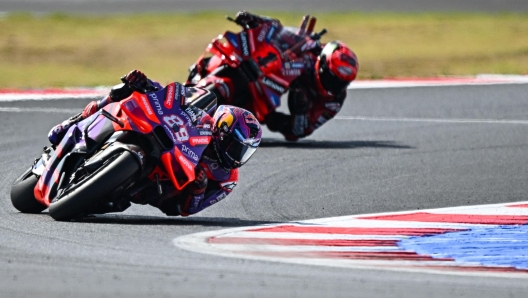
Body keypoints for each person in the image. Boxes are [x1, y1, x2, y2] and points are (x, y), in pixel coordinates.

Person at [48, 70, 262, 216]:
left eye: (244, 151)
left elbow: (188, 211)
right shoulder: (204, 118)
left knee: (115, 204)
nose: (237, 156)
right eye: (236, 147)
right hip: (163, 142)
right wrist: (145, 84)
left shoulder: (227, 178)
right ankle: (71, 123)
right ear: (221, 133)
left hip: (159, 188)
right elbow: (173, 99)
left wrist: (199, 187)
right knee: (122, 94)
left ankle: (102, 190)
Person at [187, 11, 358, 142]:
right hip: (265, 71)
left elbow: (301, 131)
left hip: (270, 102)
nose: (334, 85)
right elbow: (281, 33)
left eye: (340, 82)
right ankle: (197, 80)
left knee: (245, 126)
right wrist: (258, 22)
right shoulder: (311, 51)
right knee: (227, 57)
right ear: (322, 64)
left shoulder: (334, 100)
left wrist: (300, 111)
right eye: (331, 77)